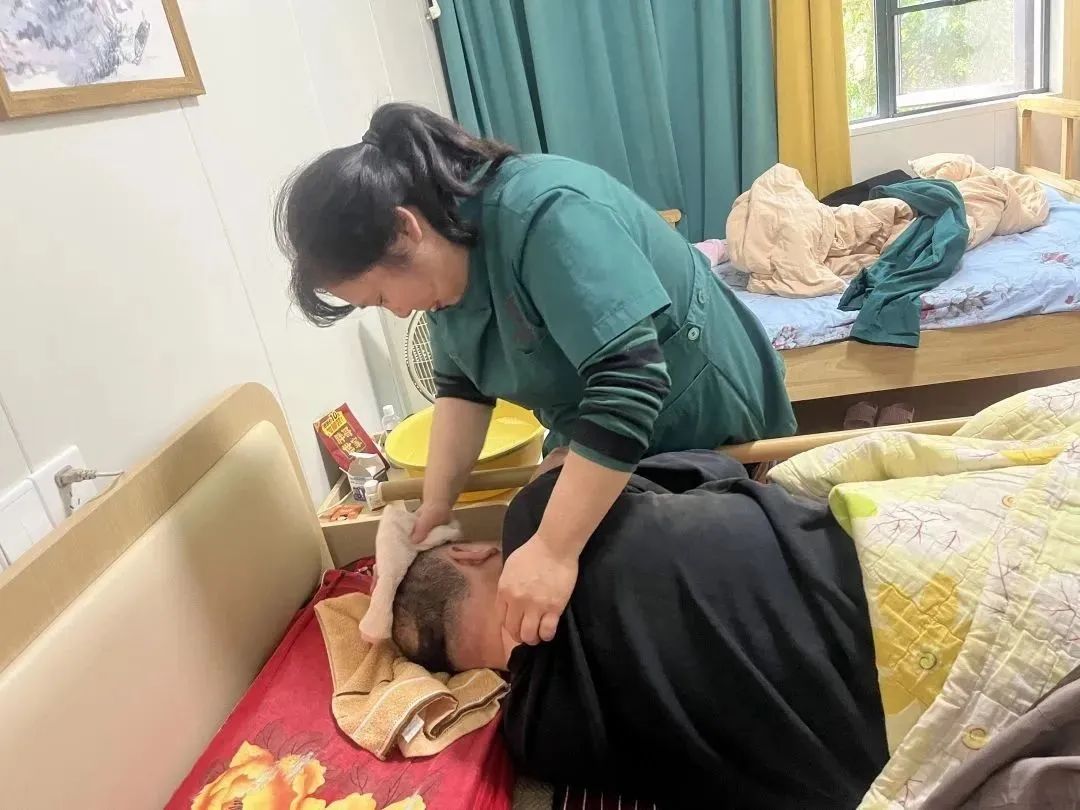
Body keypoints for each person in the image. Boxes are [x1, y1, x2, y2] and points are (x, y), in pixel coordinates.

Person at [275, 103, 796, 650]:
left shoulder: (546, 214)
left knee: (692, 579)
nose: (399, 311)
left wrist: (553, 550)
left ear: (406, 229)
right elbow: (461, 390)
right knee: (555, 531)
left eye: (382, 297)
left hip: (694, 404)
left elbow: (630, 379)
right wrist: (436, 505)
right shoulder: (443, 265)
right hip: (598, 423)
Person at [391, 452, 888, 808]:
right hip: (884, 569)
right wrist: (554, 476)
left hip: (895, 759)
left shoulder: (536, 739)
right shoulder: (539, 513)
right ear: (468, 552)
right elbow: (720, 467)